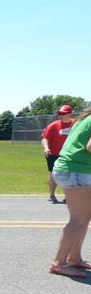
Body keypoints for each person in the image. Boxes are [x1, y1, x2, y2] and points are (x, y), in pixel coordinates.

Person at [49, 107, 91, 278]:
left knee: (84, 217)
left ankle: (74, 258)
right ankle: (59, 263)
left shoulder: (84, 117)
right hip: (76, 171)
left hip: (72, 170)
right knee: (78, 219)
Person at [41, 105, 75, 203]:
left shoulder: (75, 124)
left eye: (63, 113)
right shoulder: (53, 125)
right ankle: (52, 195)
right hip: (54, 153)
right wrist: (46, 148)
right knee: (54, 175)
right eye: (59, 113)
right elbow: (45, 138)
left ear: (69, 114)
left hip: (69, 154)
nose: (60, 115)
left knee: (69, 175)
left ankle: (67, 196)